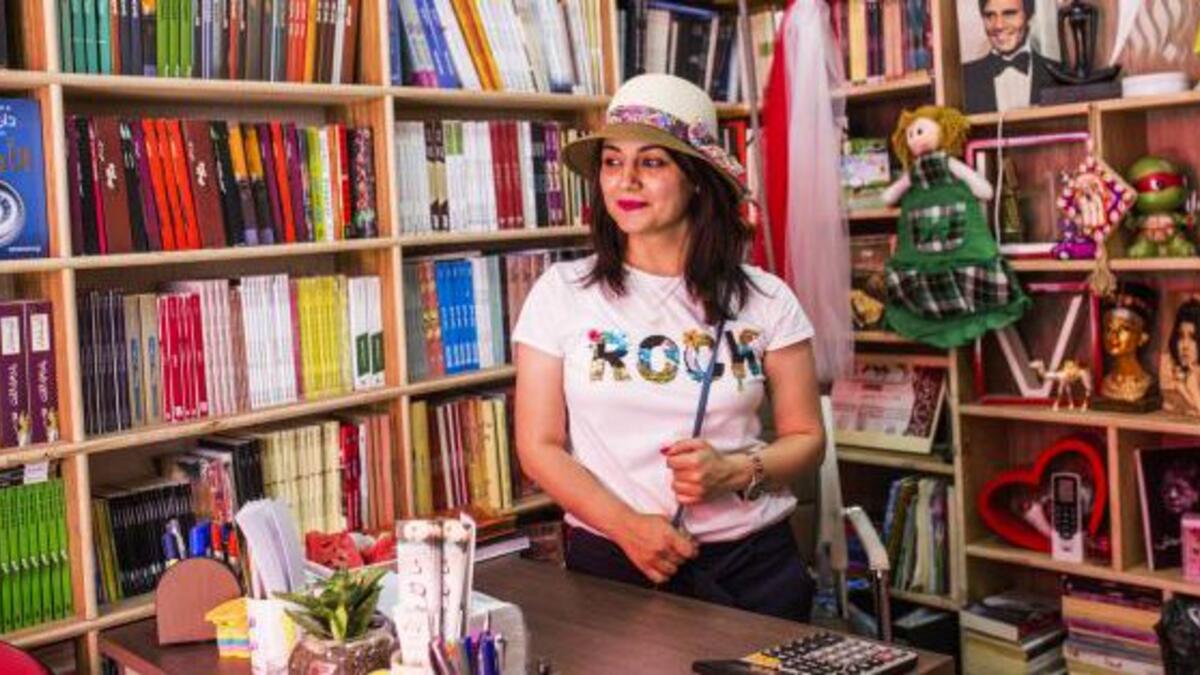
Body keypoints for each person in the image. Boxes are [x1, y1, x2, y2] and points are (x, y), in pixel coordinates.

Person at [511, 74, 825, 622]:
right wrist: (625, 526)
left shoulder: (767, 299)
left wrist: (732, 471)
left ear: (697, 180)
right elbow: (539, 444)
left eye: (652, 162)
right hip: (612, 566)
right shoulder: (560, 293)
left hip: (753, 569)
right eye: (612, 161)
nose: (625, 180)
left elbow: (807, 439)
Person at [962, 0, 1056, 114]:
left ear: (1029, 16)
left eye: (1009, 14)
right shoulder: (961, 80)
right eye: (990, 15)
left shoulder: (1059, 76)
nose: (999, 25)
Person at [1161, 298, 1200, 416]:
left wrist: (1191, 390)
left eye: (1192, 338)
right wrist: (1183, 388)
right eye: (1181, 336)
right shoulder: (1169, 367)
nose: (1185, 346)